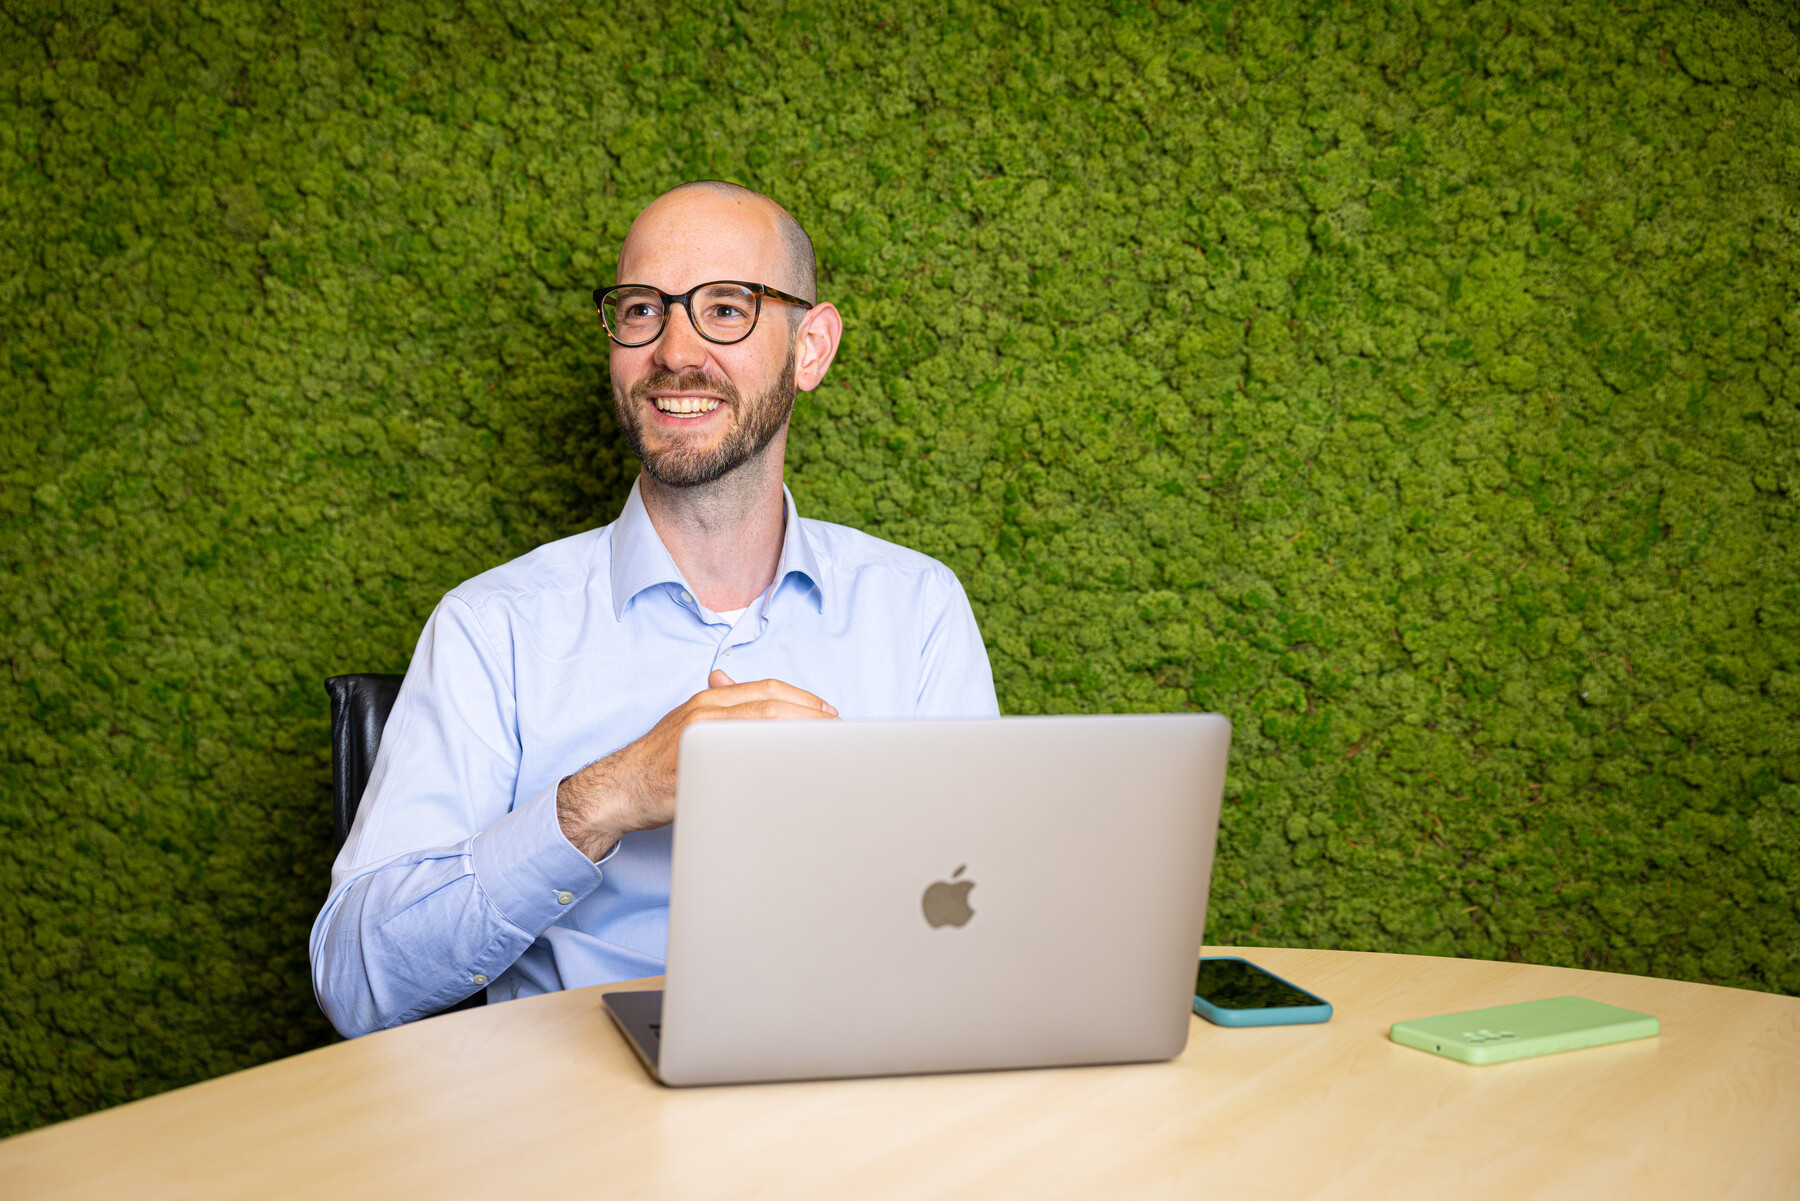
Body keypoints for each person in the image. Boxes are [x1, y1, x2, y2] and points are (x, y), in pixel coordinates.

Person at [309, 181, 999, 1037]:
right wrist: (607, 796)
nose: (676, 350)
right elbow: (353, 978)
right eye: (642, 310)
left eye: (727, 308)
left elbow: (981, 930)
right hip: (579, 1143)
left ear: (811, 348)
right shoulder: (493, 628)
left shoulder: (918, 610)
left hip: (849, 1124)